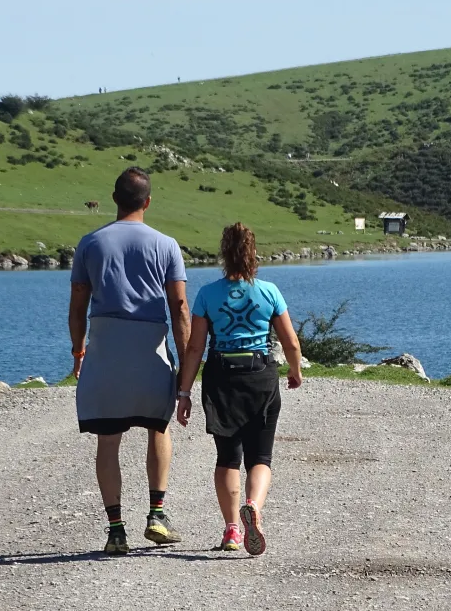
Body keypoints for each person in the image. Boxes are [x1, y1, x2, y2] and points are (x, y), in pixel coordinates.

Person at [69, 167, 190, 556]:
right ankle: (157, 514)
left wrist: (78, 351)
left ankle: (115, 529)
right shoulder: (167, 245)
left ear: (114, 198)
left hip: (105, 346)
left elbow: (77, 307)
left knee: (108, 439)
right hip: (150, 345)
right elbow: (180, 308)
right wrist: (187, 364)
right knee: (158, 428)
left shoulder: (90, 243)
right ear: (148, 202)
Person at [176, 223, 303, 556]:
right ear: (253, 254)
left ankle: (233, 530)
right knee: (260, 456)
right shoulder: (270, 291)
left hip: (221, 376)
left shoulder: (207, 294)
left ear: (224, 254)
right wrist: (295, 370)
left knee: (227, 458)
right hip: (260, 375)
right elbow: (290, 340)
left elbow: (194, 349)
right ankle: (254, 507)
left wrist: (184, 392)